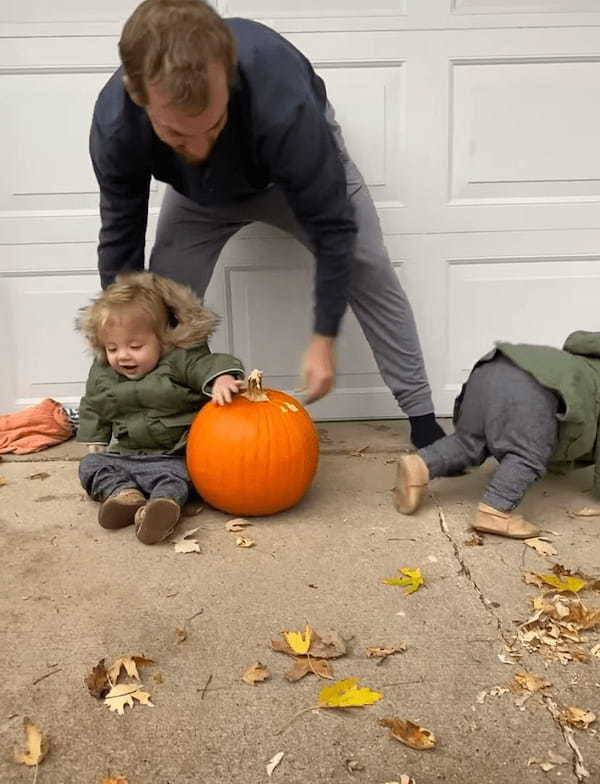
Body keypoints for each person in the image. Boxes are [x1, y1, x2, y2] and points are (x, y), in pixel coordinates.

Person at [89, 0, 445, 449]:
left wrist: (323, 339)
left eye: (213, 126)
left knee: (365, 261)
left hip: (287, 177)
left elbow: (336, 231)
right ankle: (159, 431)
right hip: (198, 196)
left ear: (228, 74)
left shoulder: (284, 105)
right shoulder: (117, 125)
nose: (199, 148)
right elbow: (120, 237)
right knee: (159, 303)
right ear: (139, 95)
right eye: (178, 135)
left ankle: (424, 417)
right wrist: (117, 330)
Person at [76, 271, 244, 544]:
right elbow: (95, 404)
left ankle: (160, 508)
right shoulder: (103, 372)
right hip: (129, 456)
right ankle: (123, 494)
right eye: (112, 348)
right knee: (91, 465)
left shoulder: (179, 360)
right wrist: (95, 436)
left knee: (182, 479)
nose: (122, 356)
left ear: (163, 340)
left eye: (135, 345)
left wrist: (222, 378)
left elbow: (206, 365)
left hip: (176, 456)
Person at [394, 331, 600, 538]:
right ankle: (495, 510)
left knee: (470, 441)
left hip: (492, 365)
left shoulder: (576, 362)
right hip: (531, 386)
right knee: (526, 454)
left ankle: (420, 464)